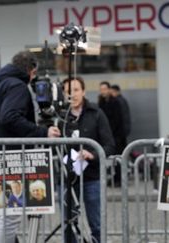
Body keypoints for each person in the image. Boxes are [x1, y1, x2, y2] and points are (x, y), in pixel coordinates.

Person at [0, 51, 61, 243]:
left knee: (2, 214)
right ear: (31, 70)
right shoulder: (16, 85)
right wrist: (43, 132)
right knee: (11, 215)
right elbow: (9, 117)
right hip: (11, 157)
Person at [63, 77, 116, 243]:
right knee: (69, 225)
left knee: (96, 223)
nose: (73, 94)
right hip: (66, 179)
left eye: (76, 90)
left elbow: (109, 146)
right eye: (68, 91)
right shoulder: (59, 118)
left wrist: (91, 154)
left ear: (84, 92)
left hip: (91, 177)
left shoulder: (96, 113)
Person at [98, 81, 124, 186]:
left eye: (104, 89)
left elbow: (118, 120)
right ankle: (113, 178)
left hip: (117, 135)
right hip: (107, 135)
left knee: (118, 159)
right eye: (101, 89)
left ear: (109, 89)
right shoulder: (101, 102)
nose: (103, 91)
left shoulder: (115, 102)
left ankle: (119, 179)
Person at [110, 84, 131, 153]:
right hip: (124, 131)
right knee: (124, 150)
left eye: (112, 92)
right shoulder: (123, 100)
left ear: (116, 91)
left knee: (120, 150)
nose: (111, 94)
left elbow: (118, 118)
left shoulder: (117, 101)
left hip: (120, 132)